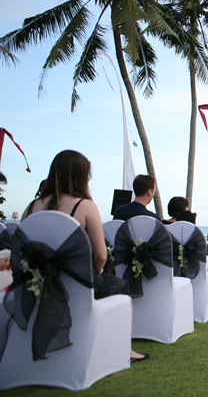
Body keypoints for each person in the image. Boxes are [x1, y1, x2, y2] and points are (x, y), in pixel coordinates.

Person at [21, 150, 148, 362]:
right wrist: (97, 270)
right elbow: (100, 255)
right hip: (76, 283)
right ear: (81, 176)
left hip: (35, 283)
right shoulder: (85, 206)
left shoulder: (31, 208)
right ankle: (125, 348)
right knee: (120, 285)